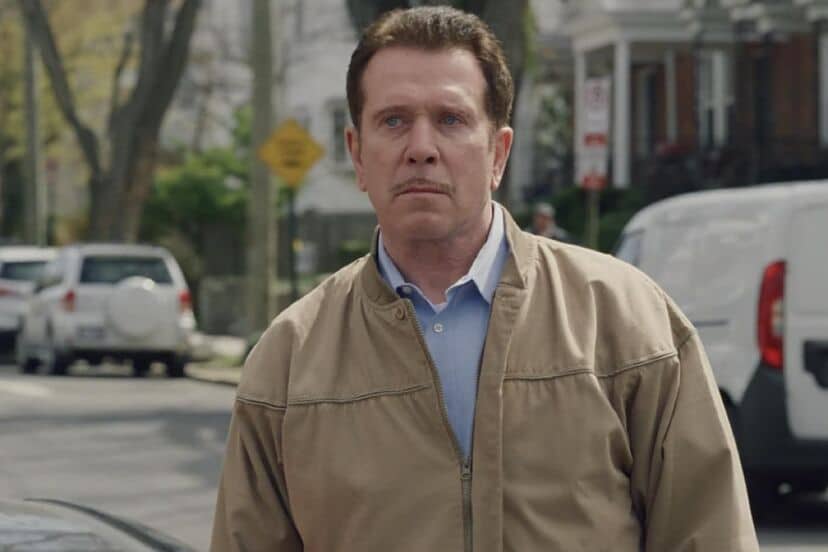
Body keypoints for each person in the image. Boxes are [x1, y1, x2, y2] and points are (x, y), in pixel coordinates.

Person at [210, 6, 759, 551]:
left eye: (451, 119)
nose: (421, 148)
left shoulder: (626, 323)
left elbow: (709, 535)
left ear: (498, 153)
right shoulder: (290, 361)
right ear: (357, 154)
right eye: (393, 121)